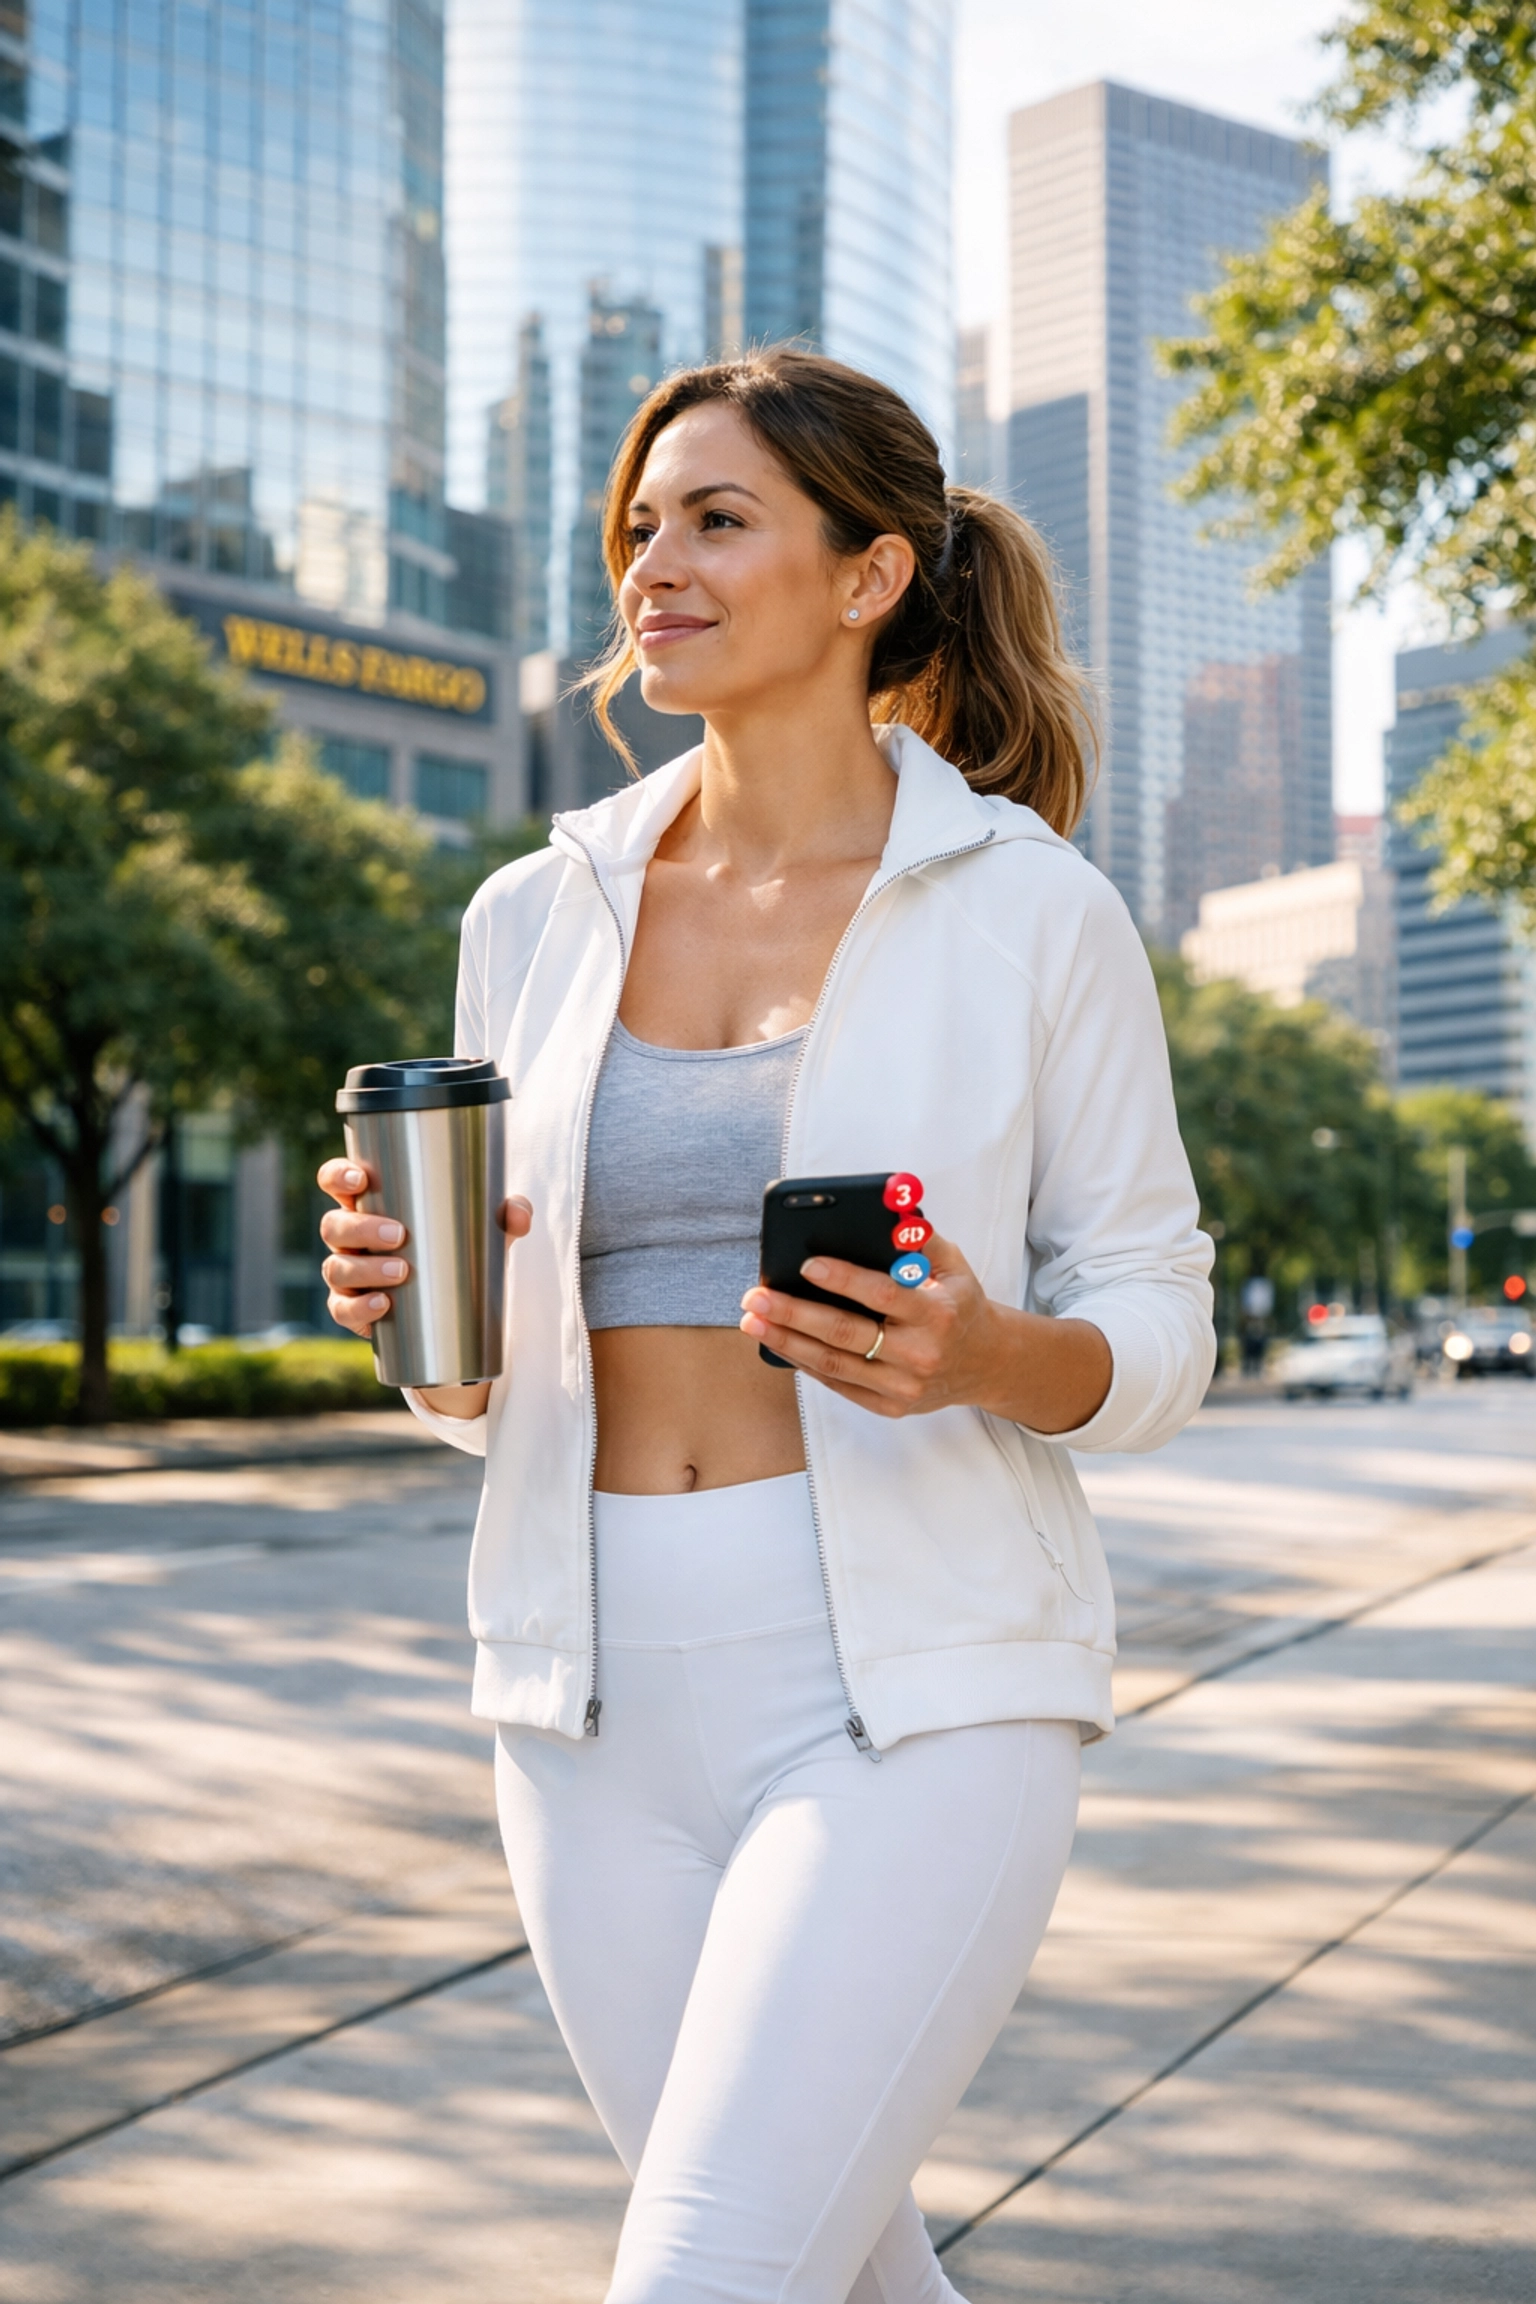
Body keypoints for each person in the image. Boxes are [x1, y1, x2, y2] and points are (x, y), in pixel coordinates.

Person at [318, 349, 1214, 2304]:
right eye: (640, 525)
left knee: (708, 2279)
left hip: (917, 1687)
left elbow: (1154, 1307)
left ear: (872, 571)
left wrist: (985, 1356)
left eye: (720, 520)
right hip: (585, 1700)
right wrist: (429, 1334)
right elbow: (487, 1396)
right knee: (846, 2279)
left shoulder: (1027, 905)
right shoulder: (529, 915)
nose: (659, 563)